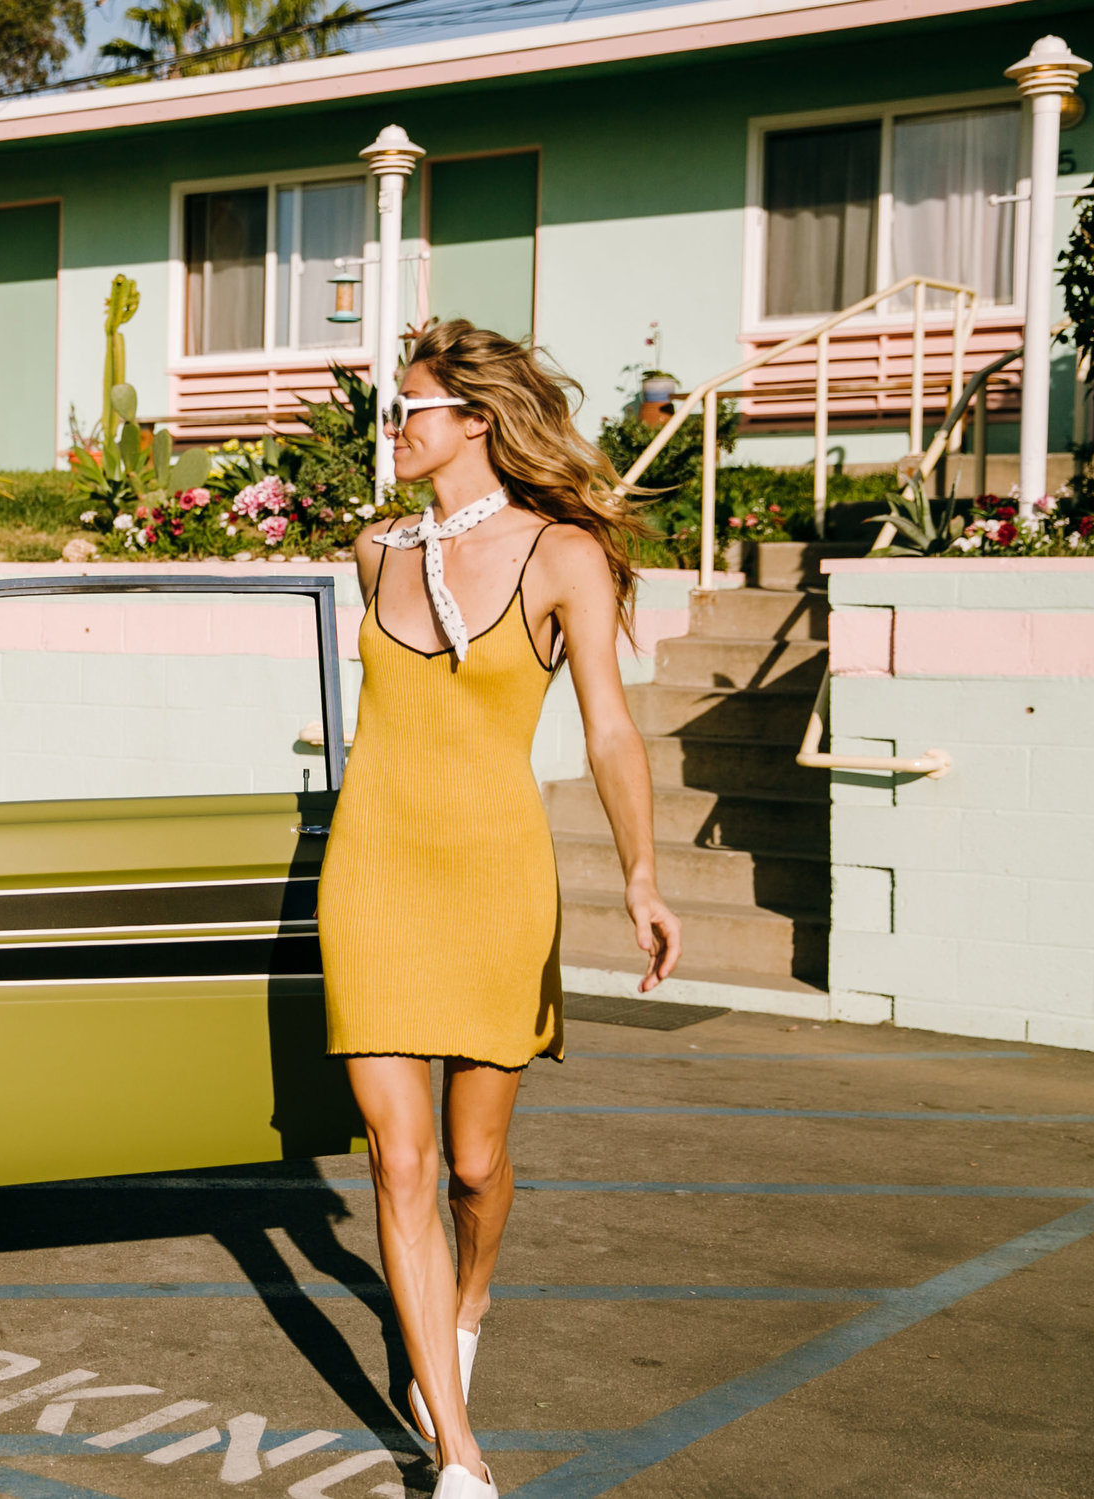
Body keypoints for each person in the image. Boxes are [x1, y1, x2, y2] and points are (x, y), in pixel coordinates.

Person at [316, 321, 681, 1499]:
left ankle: (470, 1298)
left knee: (476, 1165)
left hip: (492, 881)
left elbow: (610, 728)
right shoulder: (374, 557)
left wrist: (641, 874)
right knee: (401, 1160)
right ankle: (458, 1454)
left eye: (411, 405)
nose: (396, 426)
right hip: (370, 872)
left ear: (474, 419)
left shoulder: (560, 553)